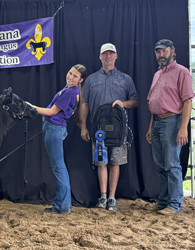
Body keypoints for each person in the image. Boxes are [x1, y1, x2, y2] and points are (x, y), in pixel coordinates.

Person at [80, 43, 139, 211]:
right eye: (104, 54)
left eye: (111, 53)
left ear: (116, 56)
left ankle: (112, 197)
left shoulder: (125, 79)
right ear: (100, 57)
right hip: (98, 131)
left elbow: (135, 101)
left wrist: (123, 103)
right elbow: (84, 103)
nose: (107, 56)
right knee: (101, 163)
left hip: (119, 131)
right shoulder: (91, 80)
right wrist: (83, 126)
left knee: (115, 163)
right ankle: (103, 197)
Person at [27, 64, 87, 214]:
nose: (70, 77)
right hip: (56, 128)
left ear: (80, 80)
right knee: (59, 167)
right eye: (70, 73)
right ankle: (61, 204)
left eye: (75, 76)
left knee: (58, 167)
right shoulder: (71, 91)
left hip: (54, 129)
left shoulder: (69, 93)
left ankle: (63, 206)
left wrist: (31, 108)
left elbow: (52, 111)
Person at [146, 39, 194, 215]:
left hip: (172, 121)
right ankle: (164, 200)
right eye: (158, 52)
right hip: (157, 121)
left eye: (164, 51)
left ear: (172, 52)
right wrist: (151, 127)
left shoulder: (182, 72)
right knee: (160, 164)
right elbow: (152, 102)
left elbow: (188, 100)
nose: (161, 55)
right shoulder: (157, 74)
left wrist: (183, 128)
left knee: (172, 164)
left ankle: (174, 204)